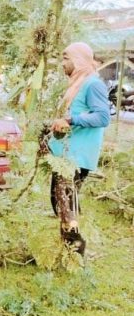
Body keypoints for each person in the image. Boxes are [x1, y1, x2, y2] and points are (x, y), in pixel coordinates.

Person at [48, 41, 110, 255]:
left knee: (65, 204)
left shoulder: (93, 84)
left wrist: (71, 119)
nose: (62, 63)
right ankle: (67, 249)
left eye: (66, 58)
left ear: (79, 60)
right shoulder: (79, 83)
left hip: (78, 156)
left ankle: (74, 251)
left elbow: (102, 117)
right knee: (60, 201)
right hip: (66, 154)